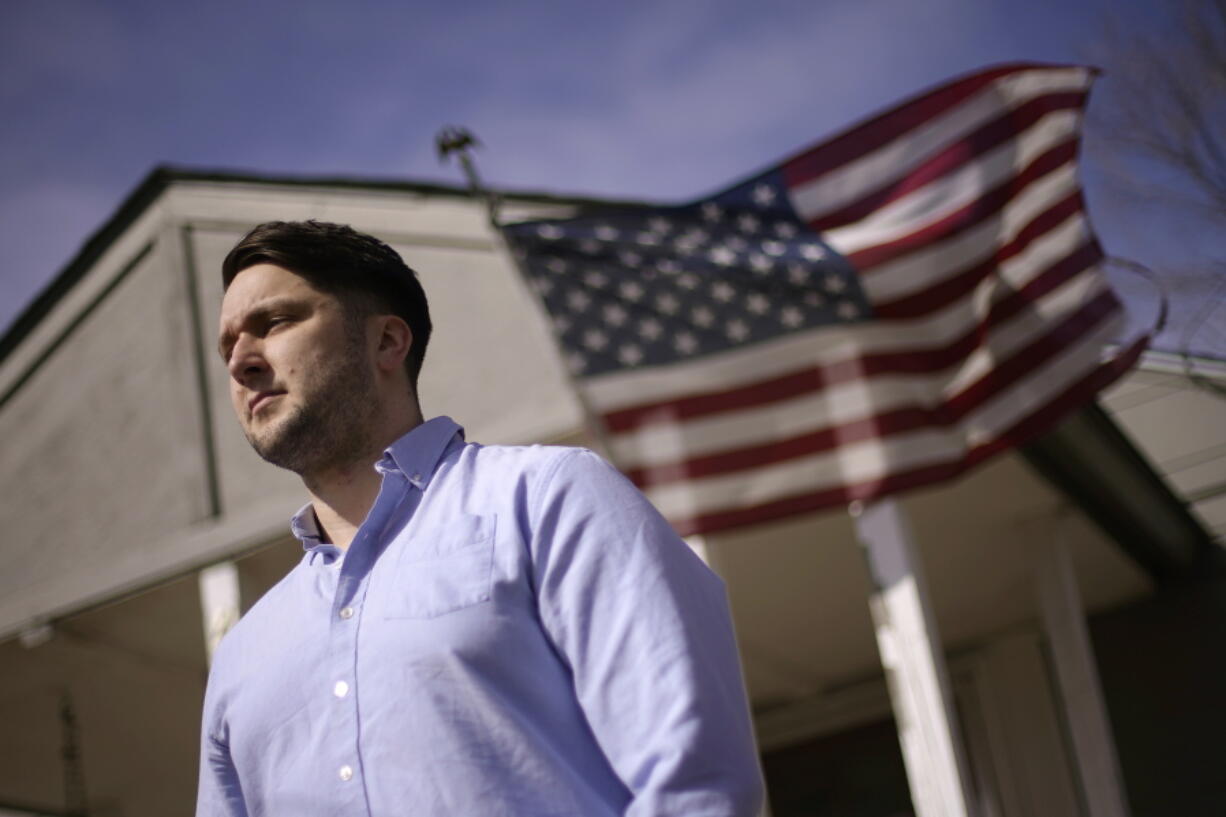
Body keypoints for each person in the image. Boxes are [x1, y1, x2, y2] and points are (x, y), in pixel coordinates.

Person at [197, 220, 765, 817]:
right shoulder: (240, 659)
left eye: (275, 323)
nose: (240, 363)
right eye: (227, 346)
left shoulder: (545, 498)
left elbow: (695, 781)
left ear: (388, 342)